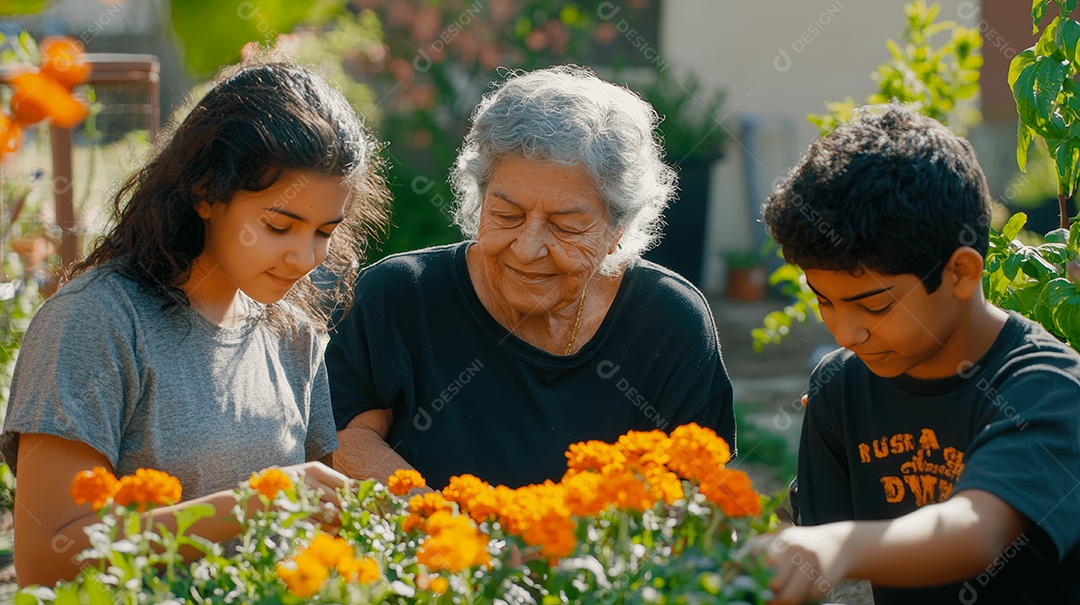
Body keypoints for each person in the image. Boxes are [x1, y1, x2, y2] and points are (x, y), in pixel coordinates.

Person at [1, 62, 390, 585]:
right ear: (206, 192)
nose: (305, 257)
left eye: (324, 231)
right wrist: (257, 502)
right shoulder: (94, 322)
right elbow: (48, 561)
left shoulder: (295, 335)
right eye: (279, 225)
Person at [326, 65, 736, 489]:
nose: (527, 248)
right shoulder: (399, 296)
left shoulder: (667, 320)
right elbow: (340, 436)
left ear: (618, 230)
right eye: (507, 215)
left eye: (565, 226)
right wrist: (438, 521)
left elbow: (694, 493)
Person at [759, 104, 1080, 604]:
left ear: (961, 273)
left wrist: (839, 545)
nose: (845, 333)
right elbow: (811, 558)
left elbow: (979, 530)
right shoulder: (842, 387)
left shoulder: (1047, 387)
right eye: (825, 301)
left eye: (875, 306)